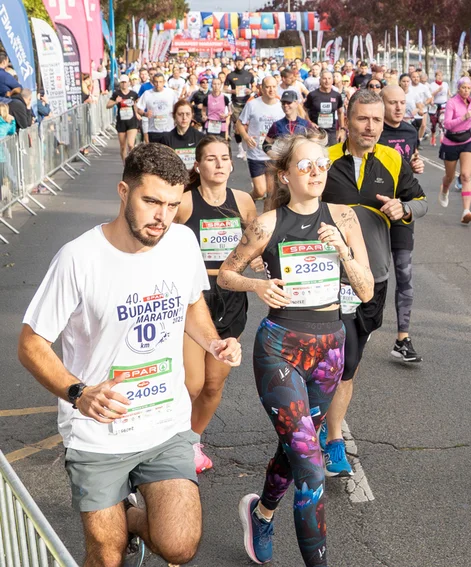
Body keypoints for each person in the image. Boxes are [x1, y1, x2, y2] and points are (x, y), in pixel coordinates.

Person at [17, 143, 242, 566]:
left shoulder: (182, 242)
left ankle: (131, 519)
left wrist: (212, 342)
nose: (162, 217)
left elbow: (192, 303)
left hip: (165, 423)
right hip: (98, 432)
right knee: (107, 554)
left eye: (172, 205)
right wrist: (79, 393)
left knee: (179, 545)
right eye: (151, 201)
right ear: (124, 192)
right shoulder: (79, 259)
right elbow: (31, 343)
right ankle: (118, 529)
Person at [217, 133, 373, 566]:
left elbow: (365, 290)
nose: (316, 172)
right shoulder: (267, 224)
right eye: (305, 165)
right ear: (285, 175)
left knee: (296, 448)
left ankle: (262, 513)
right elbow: (226, 274)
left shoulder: (344, 217)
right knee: (311, 465)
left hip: (329, 349)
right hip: (280, 348)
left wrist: (343, 251)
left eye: (322, 164)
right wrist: (258, 285)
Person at [320, 89, 428, 476]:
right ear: (346, 120)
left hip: (372, 277)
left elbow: (421, 201)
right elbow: (291, 202)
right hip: (325, 277)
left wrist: (404, 207)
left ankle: (324, 426)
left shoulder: (393, 160)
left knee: (349, 363)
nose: (370, 127)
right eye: (362, 118)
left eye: (377, 120)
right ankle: (333, 439)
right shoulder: (323, 160)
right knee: (332, 359)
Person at [175, 136, 258, 473]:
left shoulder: (243, 201)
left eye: (225, 157)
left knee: (213, 384)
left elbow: (254, 244)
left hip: (230, 298)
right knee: (192, 383)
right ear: (197, 165)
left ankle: (193, 440)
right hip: (194, 298)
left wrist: (256, 263)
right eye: (211, 158)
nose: (220, 164)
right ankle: (173, 440)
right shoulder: (184, 203)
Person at [379, 85, 426, 363]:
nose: (398, 107)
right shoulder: (374, 131)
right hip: (374, 210)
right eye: (392, 103)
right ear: (381, 104)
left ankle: (402, 339)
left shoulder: (410, 131)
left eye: (402, 102)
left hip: (402, 208)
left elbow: (410, 159)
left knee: (404, 273)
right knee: (373, 273)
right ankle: (362, 325)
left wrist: (415, 164)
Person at [438, 77, 471, 225]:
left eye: (468, 88)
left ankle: (466, 211)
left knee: (466, 176)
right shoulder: (452, 103)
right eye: (463, 88)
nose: (466, 90)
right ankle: (444, 189)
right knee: (450, 176)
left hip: (467, 141)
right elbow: (447, 124)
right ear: (458, 88)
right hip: (451, 142)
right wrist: (463, 118)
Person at [235, 76, 285, 201]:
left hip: (274, 154)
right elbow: (239, 123)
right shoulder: (252, 104)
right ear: (261, 89)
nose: (271, 90)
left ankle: (266, 214)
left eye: (273, 87)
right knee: (260, 191)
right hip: (256, 153)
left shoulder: (281, 106)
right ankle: (246, 201)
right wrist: (246, 137)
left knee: (271, 193)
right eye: (267, 87)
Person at [159, 100, 206, 170]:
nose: (184, 118)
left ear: (192, 115)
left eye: (187, 114)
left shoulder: (200, 137)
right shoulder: (166, 139)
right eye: (180, 114)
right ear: (174, 116)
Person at [303, 71, 346, 145]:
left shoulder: (337, 95)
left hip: (331, 133)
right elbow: (304, 110)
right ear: (320, 80)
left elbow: (340, 112)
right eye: (324, 79)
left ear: (332, 80)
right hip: (316, 132)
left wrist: (342, 129)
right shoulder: (312, 95)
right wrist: (310, 122)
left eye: (329, 78)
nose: (327, 81)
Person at [226, 56, 256, 159]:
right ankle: (240, 148)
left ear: (244, 63)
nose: (239, 63)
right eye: (237, 62)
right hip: (236, 104)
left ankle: (248, 147)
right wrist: (232, 91)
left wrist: (250, 90)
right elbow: (225, 88)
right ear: (235, 63)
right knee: (237, 127)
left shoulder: (249, 75)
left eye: (241, 61)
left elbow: (254, 86)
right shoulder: (230, 75)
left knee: (249, 127)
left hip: (247, 104)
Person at [136, 73, 179, 144]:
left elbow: (177, 108)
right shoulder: (147, 94)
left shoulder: (171, 93)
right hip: (153, 131)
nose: (158, 84)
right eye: (156, 82)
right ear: (153, 82)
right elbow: (139, 109)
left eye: (160, 82)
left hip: (168, 130)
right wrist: (145, 114)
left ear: (164, 82)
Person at [107, 74, 141, 162]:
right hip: (121, 122)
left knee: (131, 144)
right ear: (120, 83)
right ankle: (125, 164)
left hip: (132, 122)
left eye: (125, 82)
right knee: (123, 147)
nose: (124, 84)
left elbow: (136, 105)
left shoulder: (133, 94)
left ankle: (132, 163)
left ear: (129, 83)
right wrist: (116, 102)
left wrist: (137, 113)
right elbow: (108, 105)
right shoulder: (116, 94)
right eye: (122, 82)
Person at [428, 69, 449, 146]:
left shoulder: (445, 84)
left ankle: (442, 138)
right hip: (434, 105)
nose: (440, 77)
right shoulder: (432, 85)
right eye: (438, 75)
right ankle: (433, 136)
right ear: (435, 76)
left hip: (443, 105)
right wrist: (437, 90)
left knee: (442, 122)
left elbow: (448, 93)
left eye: (441, 75)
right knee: (434, 123)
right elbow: (430, 95)